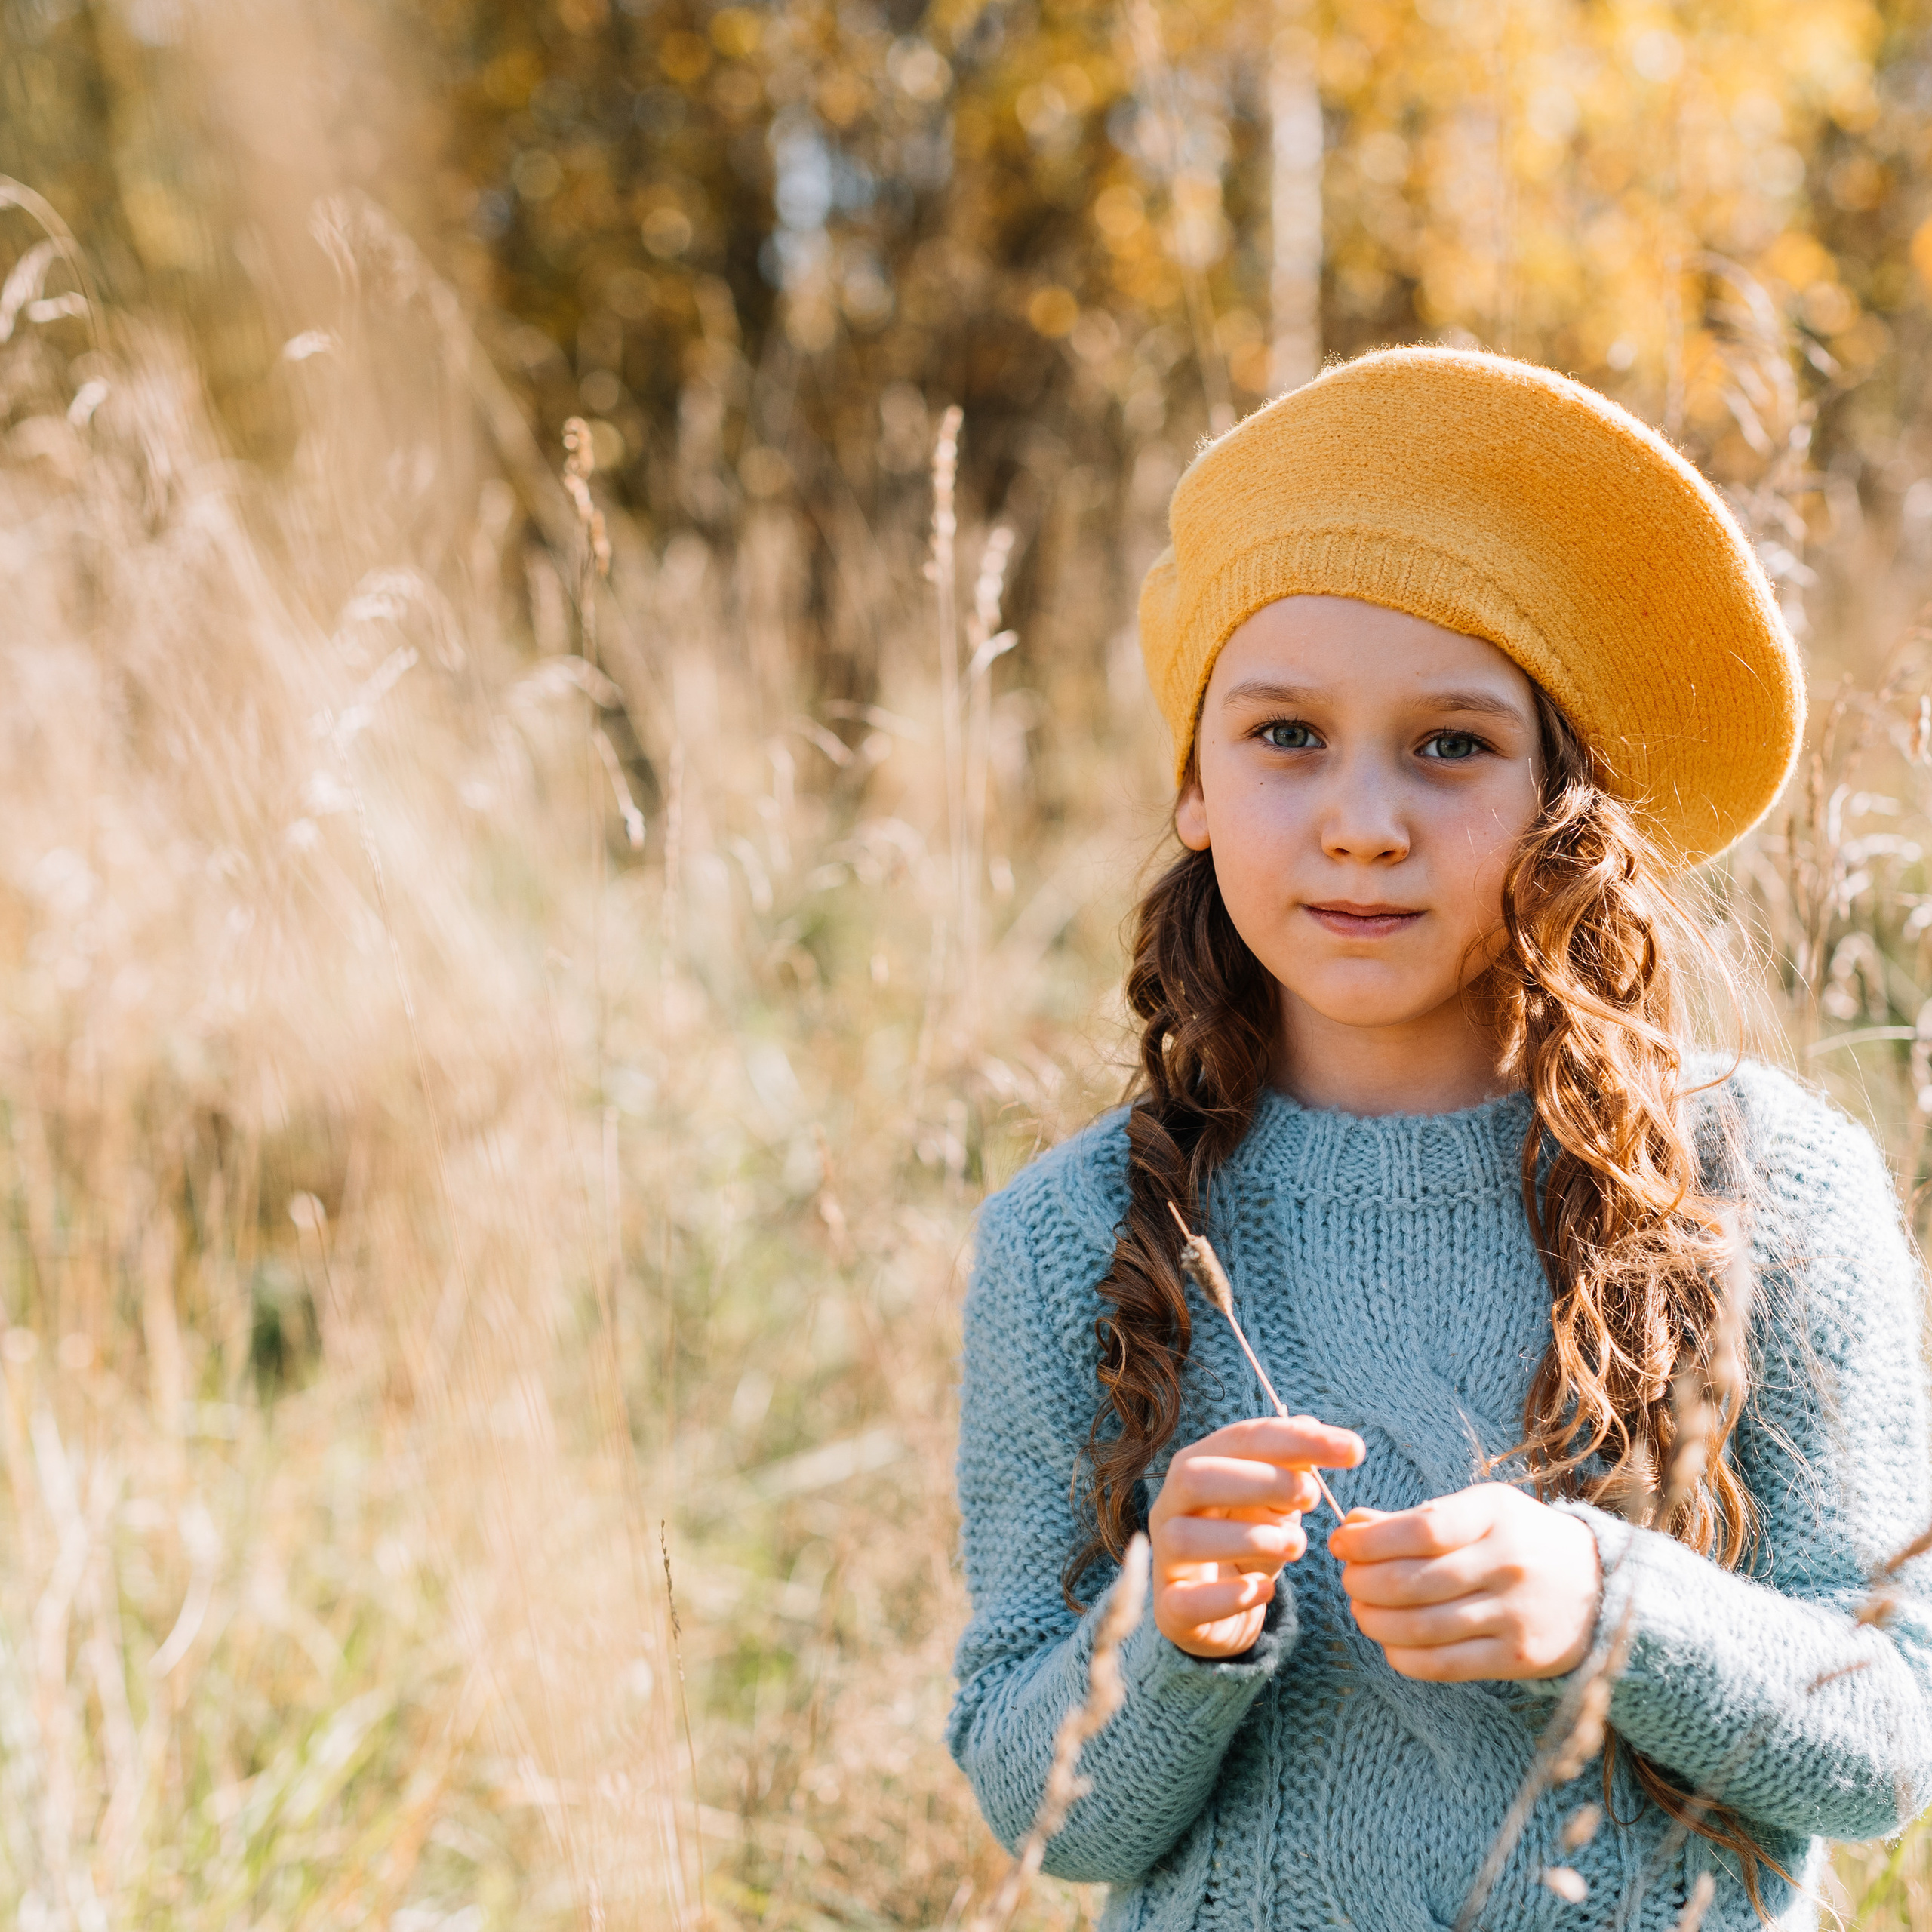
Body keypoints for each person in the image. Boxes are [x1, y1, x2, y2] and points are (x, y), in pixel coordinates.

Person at [946, 346, 1932, 1932]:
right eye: (1282, 734)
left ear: (1567, 798)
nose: (1359, 818)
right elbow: (1035, 1801)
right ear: (1189, 780)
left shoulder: (1761, 1185)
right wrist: (1168, 1627)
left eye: (1449, 744)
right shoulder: (1076, 1232)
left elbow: (1884, 1736)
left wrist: (1607, 1603)